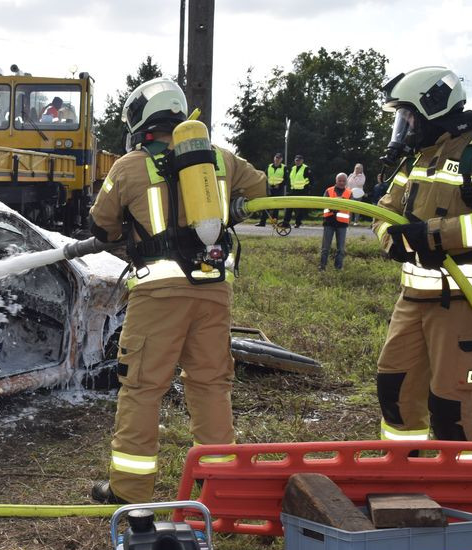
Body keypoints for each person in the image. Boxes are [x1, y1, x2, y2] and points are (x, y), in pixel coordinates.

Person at [87, 77, 266, 504]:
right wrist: (232, 208)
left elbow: (101, 224)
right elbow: (261, 190)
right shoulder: (220, 160)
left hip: (158, 293)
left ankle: (130, 491)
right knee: (210, 385)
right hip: (213, 287)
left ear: (141, 119)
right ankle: (221, 486)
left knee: (142, 387)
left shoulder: (128, 166)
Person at [372, 66, 472, 444]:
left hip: (465, 301)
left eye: (408, 116)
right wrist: (391, 238)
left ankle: (464, 487)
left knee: (452, 405)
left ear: (433, 109)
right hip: (413, 299)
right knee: (394, 388)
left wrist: (431, 236)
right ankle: (403, 472)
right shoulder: (416, 160)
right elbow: (383, 211)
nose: (404, 126)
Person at [319, 173, 352, 271]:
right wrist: (337, 202)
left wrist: (336, 203)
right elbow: (324, 203)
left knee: (341, 249)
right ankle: (322, 267)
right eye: (339, 180)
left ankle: (338, 268)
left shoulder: (349, 193)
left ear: (346, 182)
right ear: (336, 181)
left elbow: (350, 207)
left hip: (342, 224)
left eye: (343, 181)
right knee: (325, 248)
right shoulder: (328, 191)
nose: (341, 183)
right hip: (329, 222)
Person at [280, 154, 312, 228]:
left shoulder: (306, 168)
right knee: (289, 207)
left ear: (302, 161)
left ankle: (298, 223)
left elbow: (311, 181)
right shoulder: (293, 168)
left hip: (302, 191)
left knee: (299, 209)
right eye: (296, 160)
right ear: (295, 160)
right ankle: (286, 223)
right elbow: (290, 180)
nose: (297, 161)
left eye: (299, 160)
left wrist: (307, 190)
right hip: (293, 190)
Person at [255, 152, 287, 226]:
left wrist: (279, 185)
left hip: (278, 189)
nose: (277, 159)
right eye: (276, 157)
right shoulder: (269, 166)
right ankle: (262, 222)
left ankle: (274, 222)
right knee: (266, 205)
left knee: (276, 207)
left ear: (281, 159)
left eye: (279, 158)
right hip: (269, 189)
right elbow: (264, 177)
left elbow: (286, 180)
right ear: (274, 158)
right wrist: (267, 185)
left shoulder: (284, 167)